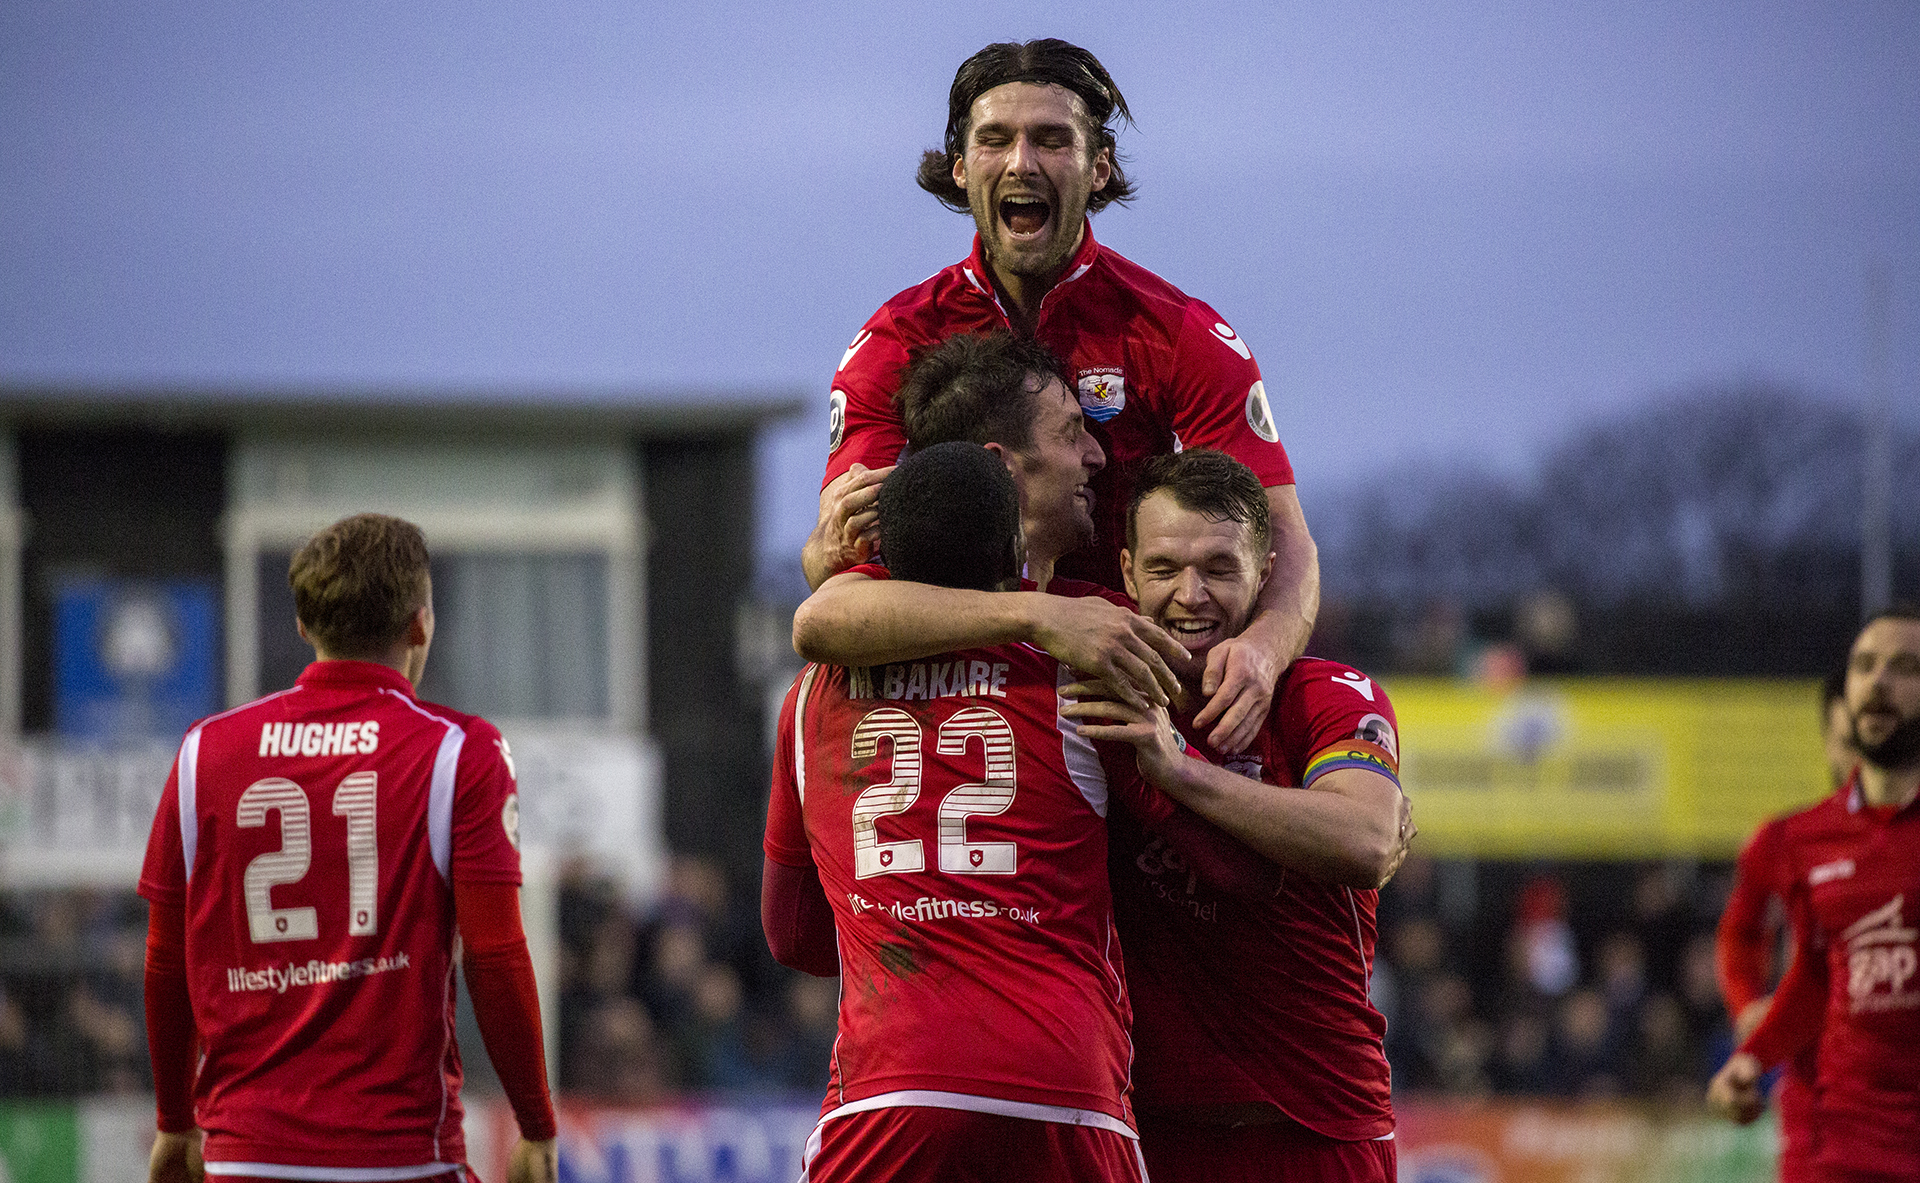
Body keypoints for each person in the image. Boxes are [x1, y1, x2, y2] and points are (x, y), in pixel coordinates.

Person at [804, 37, 1319, 754]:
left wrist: (1262, 650)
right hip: (967, 706)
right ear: (960, 168)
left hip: (1134, 696)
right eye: (995, 140)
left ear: (1098, 167)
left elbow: (1284, 540)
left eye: (1052, 139)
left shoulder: (1179, 334)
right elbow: (835, 562)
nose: (1022, 162)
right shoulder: (895, 342)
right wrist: (827, 545)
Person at [768, 442, 1176, 1181]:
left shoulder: (806, 701)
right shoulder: (1077, 663)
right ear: (1014, 551)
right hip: (1066, 1083)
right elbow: (1188, 850)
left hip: (890, 1082)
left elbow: (789, 933)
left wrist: (908, 915)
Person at [140, 514, 556, 1183]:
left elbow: (166, 957)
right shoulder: (459, 750)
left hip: (244, 1154)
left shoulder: (202, 752)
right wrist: (536, 1124)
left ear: (305, 626)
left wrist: (172, 1119)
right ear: (419, 624)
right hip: (399, 1156)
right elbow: (495, 953)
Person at [1063, 449, 1406, 1182]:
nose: (1191, 595)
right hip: (1149, 1134)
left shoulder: (1329, 695)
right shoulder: (1095, 702)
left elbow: (1369, 839)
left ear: (1264, 571)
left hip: (1317, 1131)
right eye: (1163, 569)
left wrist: (1175, 771)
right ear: (1125, 574)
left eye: (1219, 568)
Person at [793, 330, 1188, 716]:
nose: (1098, 455)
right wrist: (1041, 615)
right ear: (998, 465)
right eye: (1072, 433)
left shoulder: (829, 672)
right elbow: (814, 620)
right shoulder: (1093, 634)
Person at [1708, 606, 1920, 1182]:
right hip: (1832, 1129)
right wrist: (1751, 1026)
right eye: (1864, 667)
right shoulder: (1793, 840)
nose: (1879, 683)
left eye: (1903, 669)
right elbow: (1806, 962)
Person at [1713, 666, 1856, 1183]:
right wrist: (1748, 1004)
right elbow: (1742, 932)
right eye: (1848, 739)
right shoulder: (1788, 841)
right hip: (1816, 1101)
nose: (1861, 754)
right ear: (1827, 741)